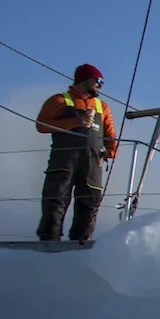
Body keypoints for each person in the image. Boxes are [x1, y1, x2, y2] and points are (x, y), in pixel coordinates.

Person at [35, 63, 117, 243]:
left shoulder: (102, 107)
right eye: (98, 81)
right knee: (56, 199)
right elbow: (41, 125)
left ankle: (81, 242)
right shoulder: (60, 100)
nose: (100, 85)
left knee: (90, 202)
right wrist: (75, 121)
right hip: (64, 160)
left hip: (92, 162)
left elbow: (110, 135)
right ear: (85, 79)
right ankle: (49, 242)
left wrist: (110, 153)